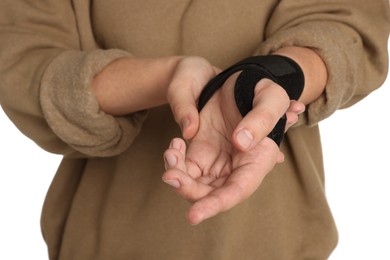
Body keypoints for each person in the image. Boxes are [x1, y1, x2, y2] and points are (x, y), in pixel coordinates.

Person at [0, 0, 388, 259]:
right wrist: (166, 79)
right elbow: (22, 59)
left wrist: (270, 79)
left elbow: (346, 23)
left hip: (276, 243)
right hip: (104, 243)